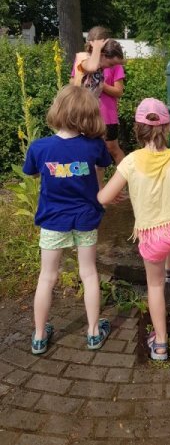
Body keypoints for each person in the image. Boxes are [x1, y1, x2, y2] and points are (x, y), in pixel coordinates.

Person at [97, 98, 170, 361]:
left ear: (137, 129)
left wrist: (115, 194)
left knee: (154, 286)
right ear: (168, 128)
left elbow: (104, 197)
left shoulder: (130, 162)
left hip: (154, 237)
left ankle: (161, 343)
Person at [23, 85, 112, 355]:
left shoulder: (39, 148)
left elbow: (33, 174)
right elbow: (100, 175)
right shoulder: (94, 146)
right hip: (85, 217)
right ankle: (93, 332)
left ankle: (39, 336)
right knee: (89, 273)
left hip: (52, 220)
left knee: (47, 276)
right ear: (89, 115)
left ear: (58, 110)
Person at [71, 30, 126, 165]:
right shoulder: (84, 59)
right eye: (111, 64)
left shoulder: (109, 66)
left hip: (105, 114)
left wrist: (101, 85)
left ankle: (125, 175)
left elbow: (119, 91)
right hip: (85, 113)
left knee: (109, 148)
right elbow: (75, 79)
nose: (111, 67)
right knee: (89, 150)